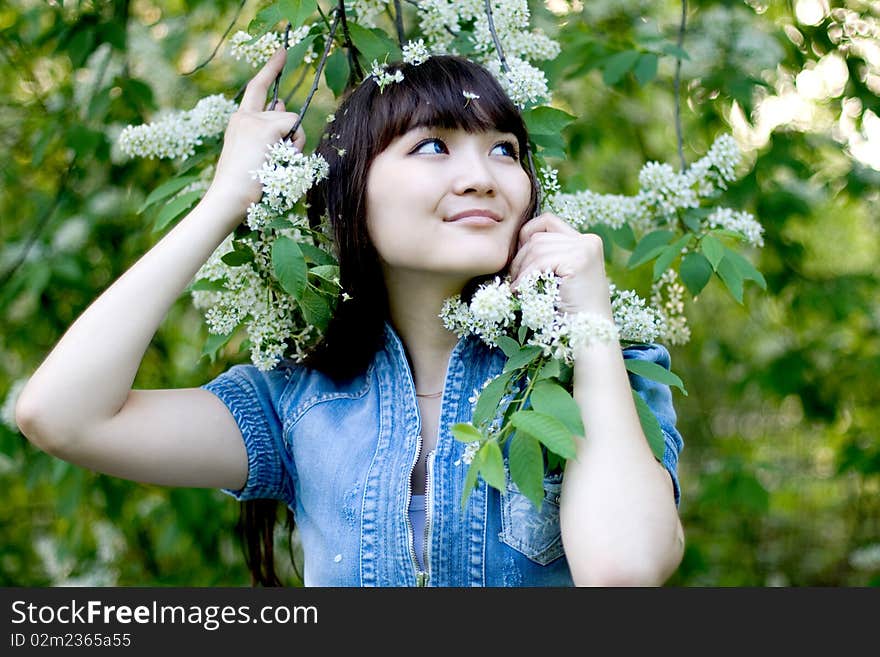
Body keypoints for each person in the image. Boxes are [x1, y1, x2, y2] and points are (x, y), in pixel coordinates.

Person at [16, 49, 685, 587]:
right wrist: (224, 202)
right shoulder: (296, 402)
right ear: (351, 191)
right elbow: (60, 415)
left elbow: (622, 570)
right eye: (434, 146)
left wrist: (589, 322)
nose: (484, 177)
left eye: (505, 149)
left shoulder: (604, 372)